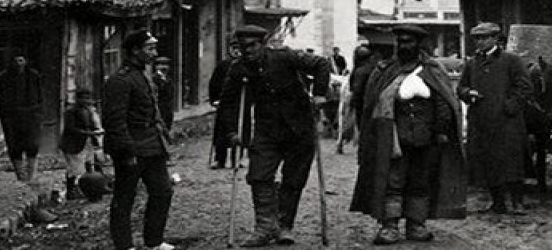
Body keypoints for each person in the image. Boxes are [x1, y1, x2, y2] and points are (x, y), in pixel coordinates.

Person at [351, 25, 465, 244]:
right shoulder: (384, 70)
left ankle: (416, 225)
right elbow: (370, 104)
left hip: (426, 138)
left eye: (408, 42)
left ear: (418, 44)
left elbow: (444, 101)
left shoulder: (433, 70)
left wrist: (441, 130)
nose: (404, 46)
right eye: (400, 42)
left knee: (419, 181)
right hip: (393, 138)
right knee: (392, 181)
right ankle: (390, 226)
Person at [220, 25, 331, 247]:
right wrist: (232, 131)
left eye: (252, 46)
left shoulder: (284, 57)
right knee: (259, 175)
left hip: (299, 129)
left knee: (293, 179)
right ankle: (264, 226)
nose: (248, 51)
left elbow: (321, 64)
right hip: (267, 130)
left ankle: (283, 226)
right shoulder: (238, 69)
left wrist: (319, 94)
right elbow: (228, 102)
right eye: (243, 47)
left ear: (263, 44)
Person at [103, 31, 176, 250]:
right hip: (131, 147)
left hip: (152, 146)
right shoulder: (120, 80)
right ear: (135, 51)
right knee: (124, 198)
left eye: (155, 48)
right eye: (149, 48)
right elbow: (115, 121)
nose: (154, 53)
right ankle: (124, 246)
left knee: (163, 192)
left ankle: (154, 241)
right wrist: (126, 152)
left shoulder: (144, 76)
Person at [457, 22, 531, 215]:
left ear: (495, 39)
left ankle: (517, 202)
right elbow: (461, 87)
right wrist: (468, 93)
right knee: (487, 162)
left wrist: (509, 106)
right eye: (477, 39)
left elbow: (524, 87)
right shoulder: (473, 63)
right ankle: (497, 202)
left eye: (484, 38)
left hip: (507, 123)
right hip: (481, 121)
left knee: (512, 162)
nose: (480, 42)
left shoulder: (511, 60)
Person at [0, 50, 44, 182]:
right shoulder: (3, 78)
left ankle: (31, 176)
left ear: (25, 61)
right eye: (15, 61)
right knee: (15, 146)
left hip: (31, 116)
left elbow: (40, 96)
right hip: (12, 117)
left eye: (21, 60)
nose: (18, 64)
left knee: (32, 145)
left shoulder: (33, 76)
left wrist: (37, 111)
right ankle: (21, 177)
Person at [61, 89, 105, 200]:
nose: (86, 101)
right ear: (78, 99)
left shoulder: (88, 111)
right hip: (73, 143)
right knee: (75, 169)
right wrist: (89, 133)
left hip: (87, 142)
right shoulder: (71, 112)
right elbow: (71, 129)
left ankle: (86, 189)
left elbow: (91, 125)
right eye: (83, 98)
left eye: (88, 98)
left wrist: (97, 132)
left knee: (88, 166)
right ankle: (71, 190)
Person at [208, 44, 243, 169]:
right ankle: (220, 160)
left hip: (239, 104)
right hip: (224, 103)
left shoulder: (245, 66)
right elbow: (214, 83)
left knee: (240, 130)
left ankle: (237, 159)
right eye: (234, 49)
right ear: (230, 50)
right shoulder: (223, 65)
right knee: (221, 133)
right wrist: (214, 100)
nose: (236, 52)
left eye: (239, 49)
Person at [154, 56, 176, 130]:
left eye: (166, 64)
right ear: (156, 66)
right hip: (159, 110)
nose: (164, 67)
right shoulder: (154, 79)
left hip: (168, 110)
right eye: (161, 64)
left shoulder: (168, 79)